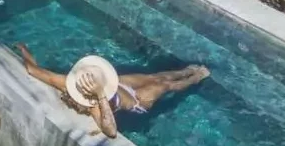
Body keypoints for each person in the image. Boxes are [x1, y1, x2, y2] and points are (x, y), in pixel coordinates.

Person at [16, 43, 209, 138]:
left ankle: (184, 71)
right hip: (137, 102)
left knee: (154, 76)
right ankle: (196, 77)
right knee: (166, 86)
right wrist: (101, 93)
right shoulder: (93, 106)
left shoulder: (68, 82)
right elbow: (111, 131)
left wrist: (24, 50)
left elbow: (35, 70)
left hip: (118, 86)